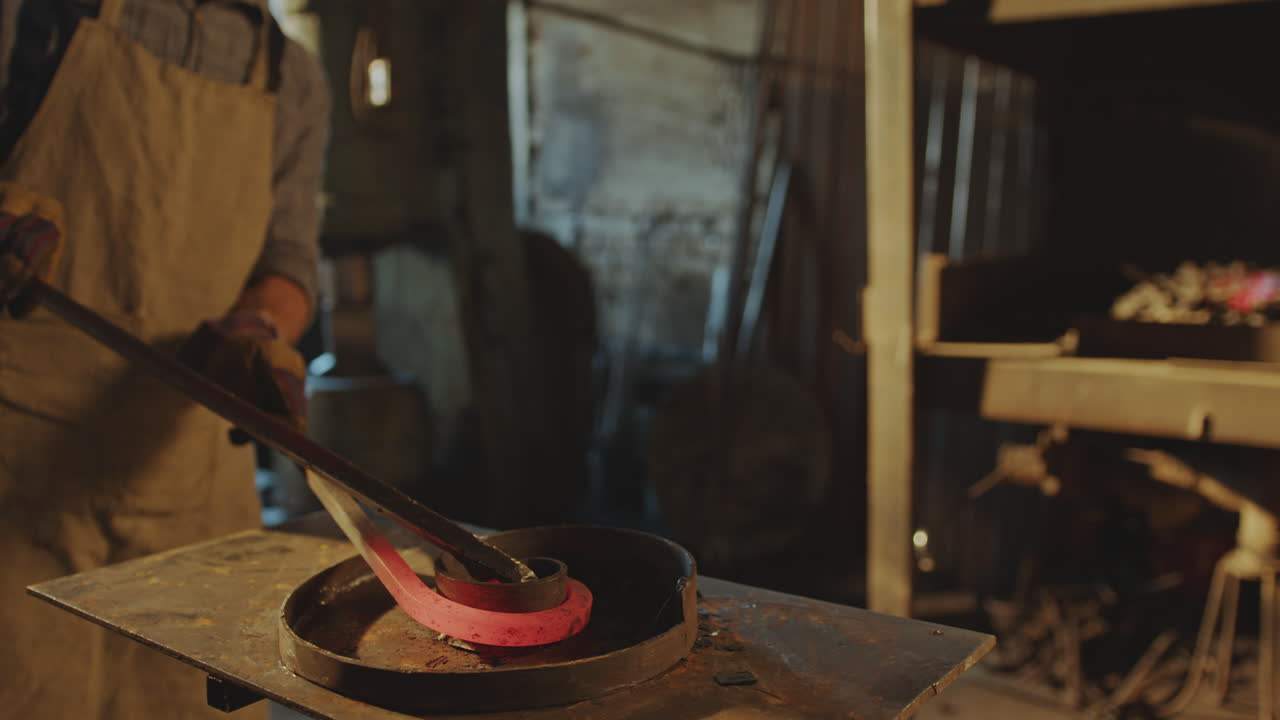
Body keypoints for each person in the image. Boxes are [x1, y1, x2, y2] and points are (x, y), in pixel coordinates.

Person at [0, 0, 330, 718]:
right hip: (18, 493)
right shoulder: (29, 19)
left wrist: (260, 325)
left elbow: (289, 263)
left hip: (194, 500)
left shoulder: (290, 75)